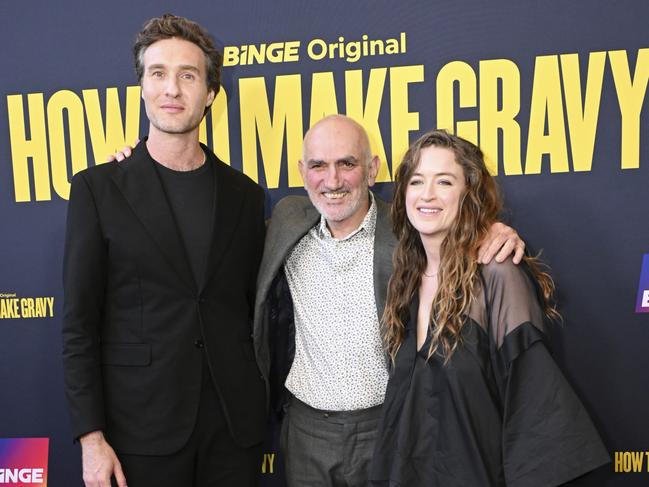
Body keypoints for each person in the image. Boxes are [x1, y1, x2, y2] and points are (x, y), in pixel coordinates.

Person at [252, 115, 525, 487]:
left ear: (371, 169)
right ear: (303, 171)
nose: (332, 181)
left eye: (347, 163)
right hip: (306, 432)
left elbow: (454, 227)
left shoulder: (407, 229)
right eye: (318, 166)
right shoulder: (286, 221)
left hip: (388, 426)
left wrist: (491, 230)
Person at [62, 14, 266, 487]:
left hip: (233, 433)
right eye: (158, 74)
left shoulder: (246, 196)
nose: (172, 89)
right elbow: (78, 326)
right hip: (139, 432)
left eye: (188, 75)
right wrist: (91, 439)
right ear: (142, 88)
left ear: (211, 94)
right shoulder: (98, 189)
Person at [370, 129, 609, 486]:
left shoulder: (497, 274)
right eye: (417, 181)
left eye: (445, 182)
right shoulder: (405, 282)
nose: (428, 195)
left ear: (469, 193)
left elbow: (534, 407)